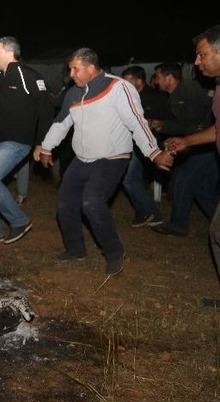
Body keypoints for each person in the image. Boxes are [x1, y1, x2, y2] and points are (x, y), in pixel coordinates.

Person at [34, 48, 173, 276]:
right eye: (70, 69)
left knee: (92, 203)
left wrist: (154, 153)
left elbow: (137, 122)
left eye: (75, 69)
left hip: (111, 158)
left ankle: (114, 253)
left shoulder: (118, 87)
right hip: (82, 159)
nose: (71, 74)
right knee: (65, 205)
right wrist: (47, 148)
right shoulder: (73, 94)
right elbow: (61, 124)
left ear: (91, 68)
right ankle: (75, 250)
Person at [0, 36, 53, 244]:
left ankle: (19, 221)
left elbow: (45, 111)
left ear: (9, 52)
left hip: (18, 141)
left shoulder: (29, 76)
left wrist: (41, 143)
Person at [164, 25, 220, 286]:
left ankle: (178, 224)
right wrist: (188, 140)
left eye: (203, 54)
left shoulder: (192, 90)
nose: (197, 62)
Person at [150, 62, 216, 237]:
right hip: (199, 144)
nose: (156, 81)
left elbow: (208, 111)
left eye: (158, 76)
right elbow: (184, 124)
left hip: (206, 144)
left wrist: (196, 134)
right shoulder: (174, 96)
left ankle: (178, 225)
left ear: (168, 77)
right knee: (203, 188)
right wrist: (162, 125)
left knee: (182, 179)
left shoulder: (190, 88)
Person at [120, 65, 172, 227]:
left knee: (129, 179)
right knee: (132, 179)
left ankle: (152, 212)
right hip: (133, 144)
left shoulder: (154, 97)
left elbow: (161, 121)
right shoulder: (128, 96)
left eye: (127, 80)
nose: (123, 84)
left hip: (148, 145)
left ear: (139, 81)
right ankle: (144, 212)